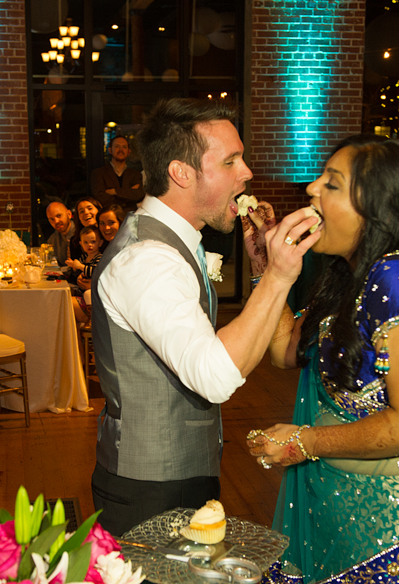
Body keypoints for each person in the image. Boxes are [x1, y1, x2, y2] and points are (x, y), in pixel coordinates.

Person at [245, 135, 399, 582]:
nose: (311, 190)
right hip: (344, 519)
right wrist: (269, 267)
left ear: (377, 207)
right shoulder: (350, 274)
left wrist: (304, 442)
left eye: (332, 184)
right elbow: (285, 351)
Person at [90, 98, 315, 536]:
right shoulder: (147, 258)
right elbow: (213, 376)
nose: (247, 172)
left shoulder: (173, 243)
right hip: (151, 488)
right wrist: (281, 276)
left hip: (180, 471)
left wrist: (261, 270)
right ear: (181, 173)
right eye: (231, 161)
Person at [90, 136, 145, 212]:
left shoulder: (136, 174)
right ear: (110, 150)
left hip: (130, 218)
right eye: (117, 146)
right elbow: (100, 198)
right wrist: (128, 194)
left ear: (128, 152)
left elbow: (139, 195)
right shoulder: (99, 173)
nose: (121, 150)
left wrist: (115, 191)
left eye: (124, 147)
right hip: (108, 218)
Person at [67, 225, 103, 325]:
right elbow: (77, 274)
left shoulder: (99, 257)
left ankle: (91, 319)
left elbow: (94, 272)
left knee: (88, 293)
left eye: (93, 242)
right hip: (82, 289)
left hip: (94, 292)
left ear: (100, 243)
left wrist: (80, 266)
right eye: (86, 242)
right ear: (81, 244)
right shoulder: (84, 257)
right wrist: (74, 268)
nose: (89, 245)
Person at [69, 196, 102, 263]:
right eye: (81, 211)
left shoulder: (106, 236)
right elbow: (75, 270)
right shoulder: (75, 241)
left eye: (90, 208)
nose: (86, 213)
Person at [45, 201, 75, 267]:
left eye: (59, 216)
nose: (56, 221)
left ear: (69, 214)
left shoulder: (82, 234)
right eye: (52, 219)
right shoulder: (52, 240)